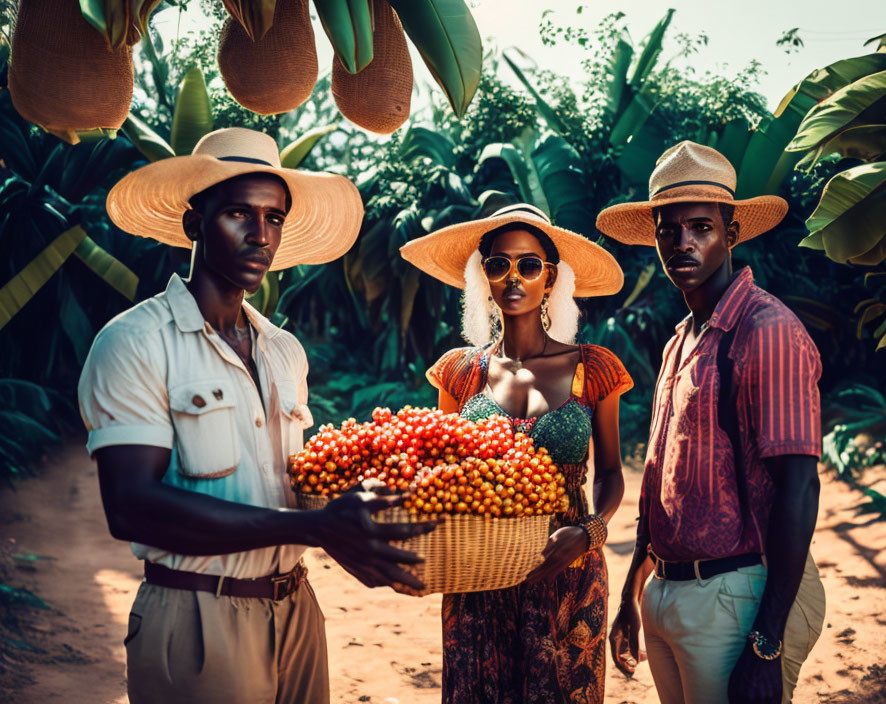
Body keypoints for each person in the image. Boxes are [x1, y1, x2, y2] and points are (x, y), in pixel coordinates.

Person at [78, 127, 434, 704]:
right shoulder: (136, 342)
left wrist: (370, 502)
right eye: (239, 214)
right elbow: (131, 509)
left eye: (273, 219)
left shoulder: (283, 350)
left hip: (297, 608)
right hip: (196, 616)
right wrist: (314, 528)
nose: (259, 235)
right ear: (195, 224)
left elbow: (297, 486)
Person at [598, 141, 825, 704]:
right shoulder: (681, 340)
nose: (683, 242)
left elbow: (800, 484)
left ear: (733, 232)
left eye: (700, 226)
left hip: (737, 593)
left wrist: (767, 641)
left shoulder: (765, 329)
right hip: (669, 592)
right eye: (667, 230)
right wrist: (633, 592)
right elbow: (660, 481)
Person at [400, 203, 633, 703]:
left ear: (551, 279)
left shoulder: (593, 369)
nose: (513, 277)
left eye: (528, 265)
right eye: (497, 263)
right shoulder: (460, 373)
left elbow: (611, 472)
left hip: (568, 569)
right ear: (482, 276)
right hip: (478, 575)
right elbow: (443, 474)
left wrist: (591, 531)